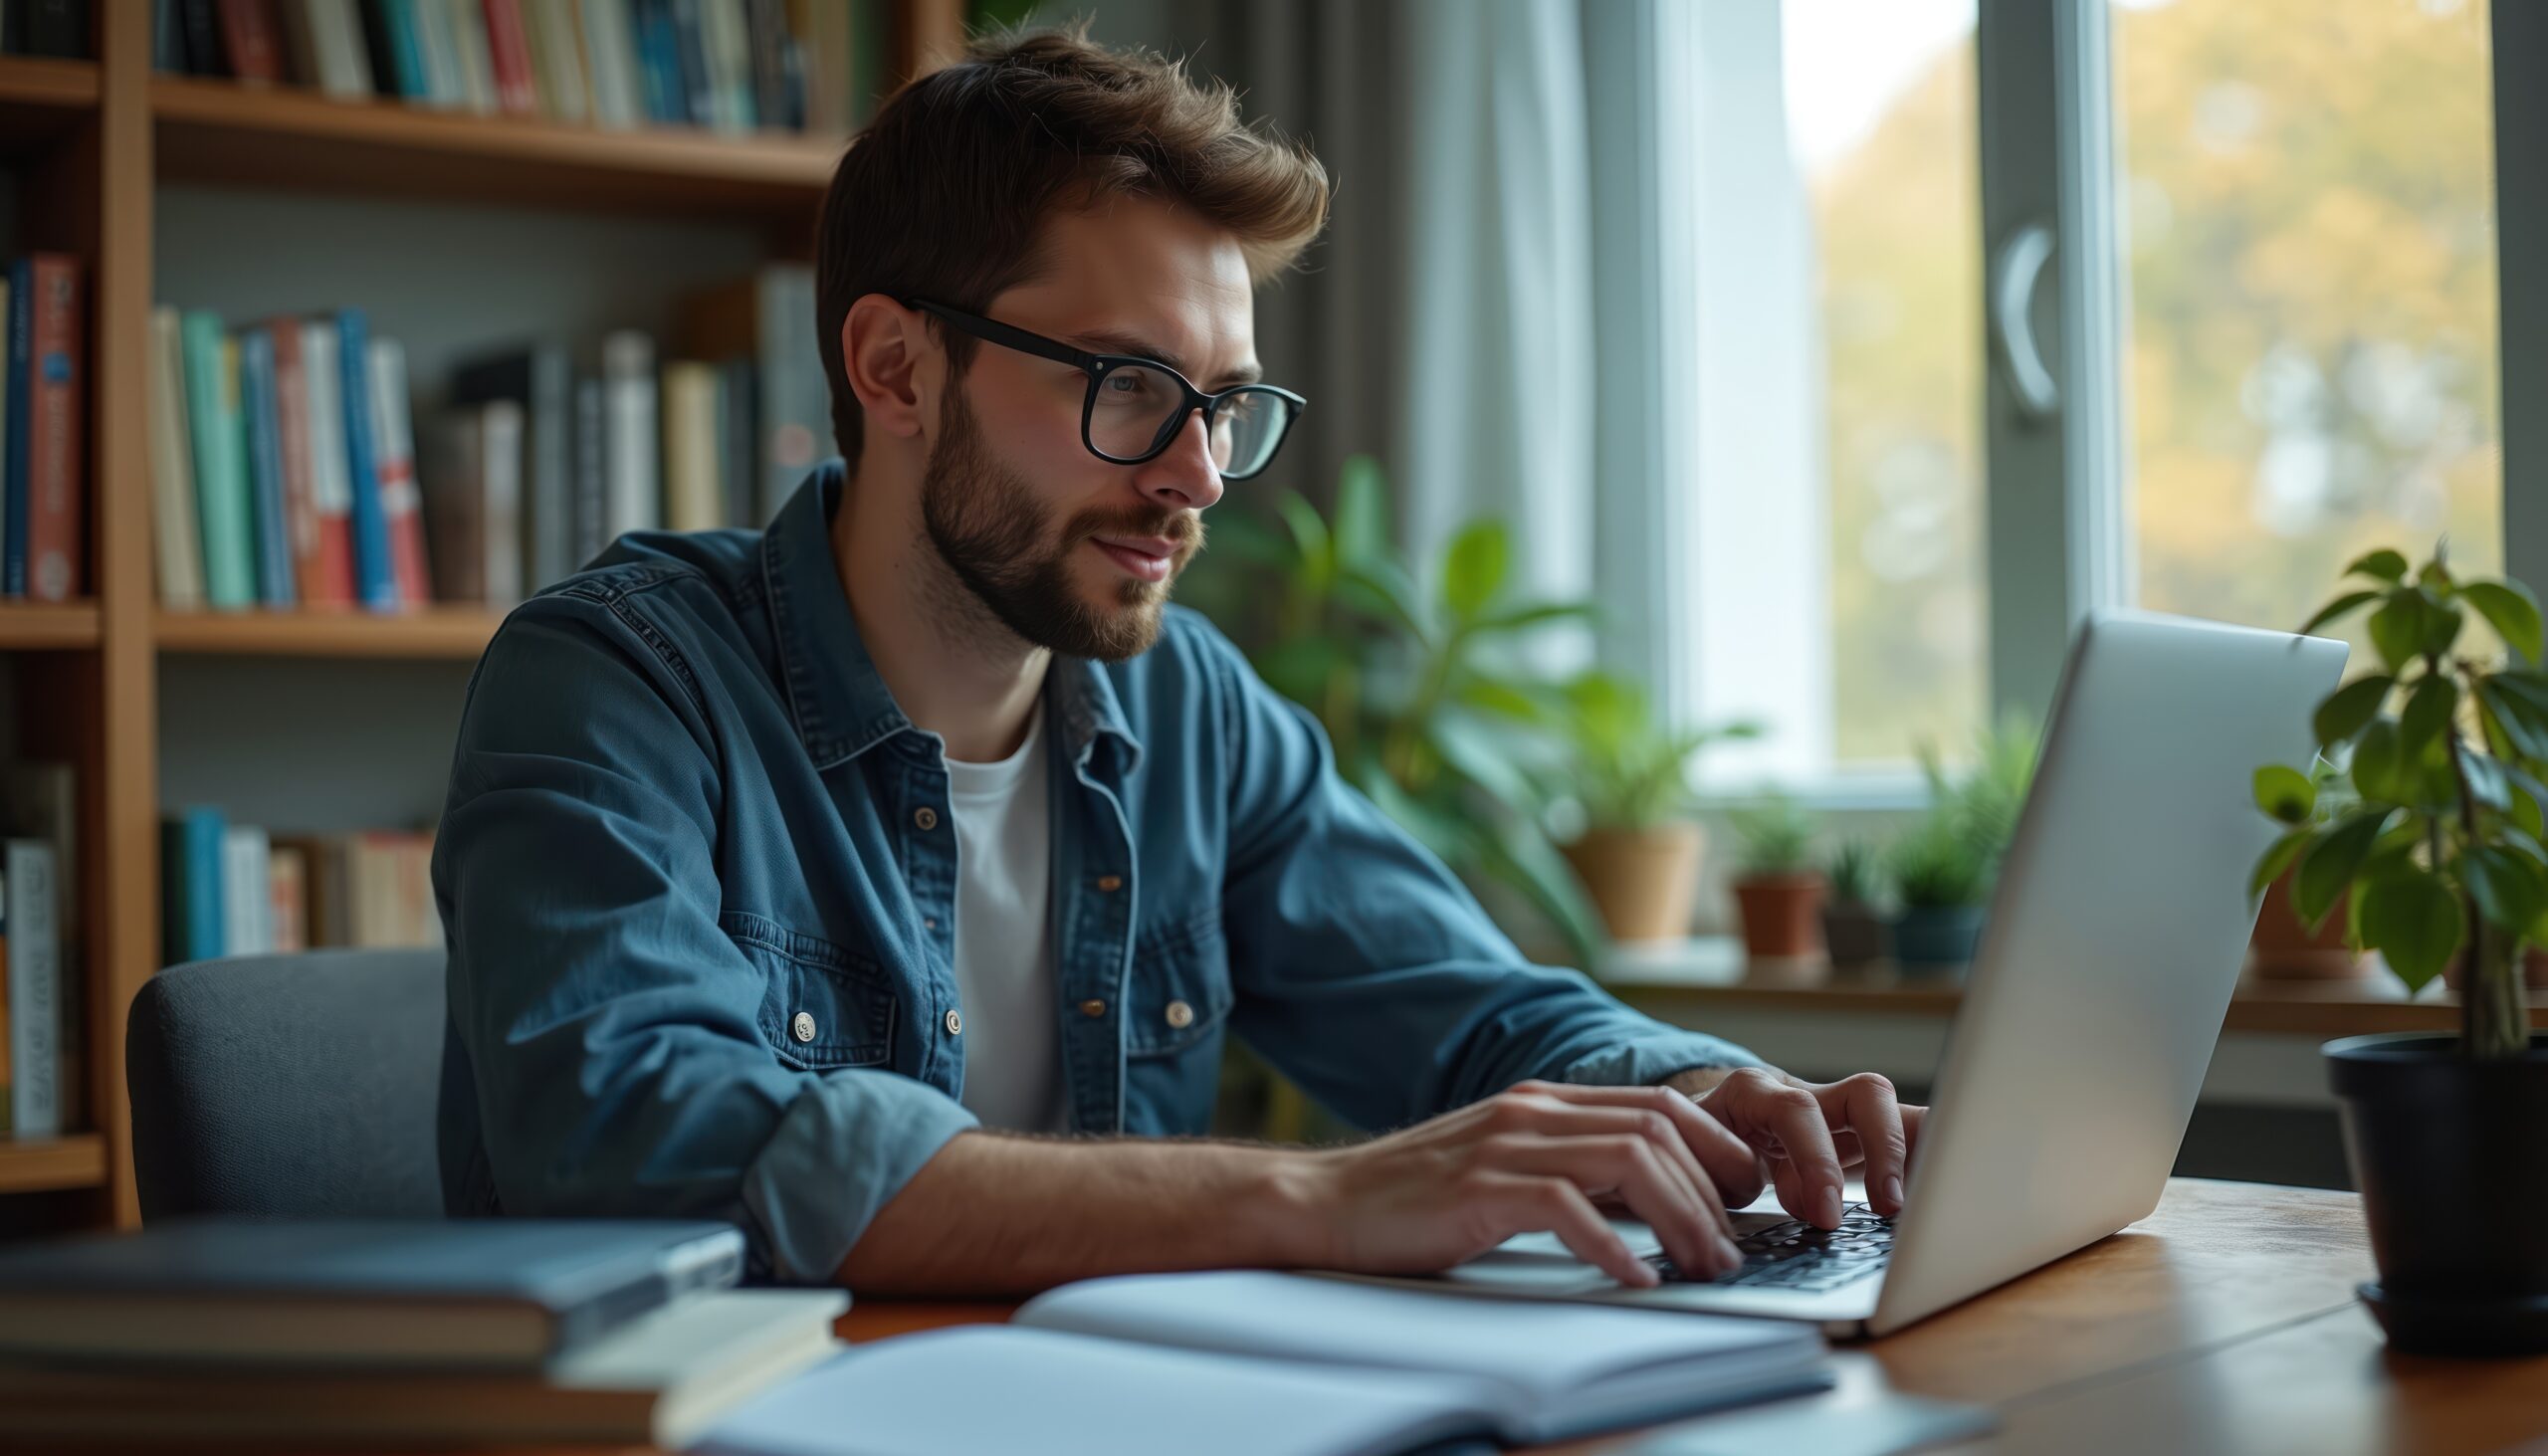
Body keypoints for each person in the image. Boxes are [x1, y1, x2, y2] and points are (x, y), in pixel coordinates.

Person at [434, 26, 1921, 1296]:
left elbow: (1472, 1010)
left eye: (1222, 405)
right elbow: (635, 1136)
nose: (1198, 477)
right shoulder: (618, 683)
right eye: (1133, 388)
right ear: (894, 369)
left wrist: (1699, 1096)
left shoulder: (1189, 706)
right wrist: (1313, 1201)